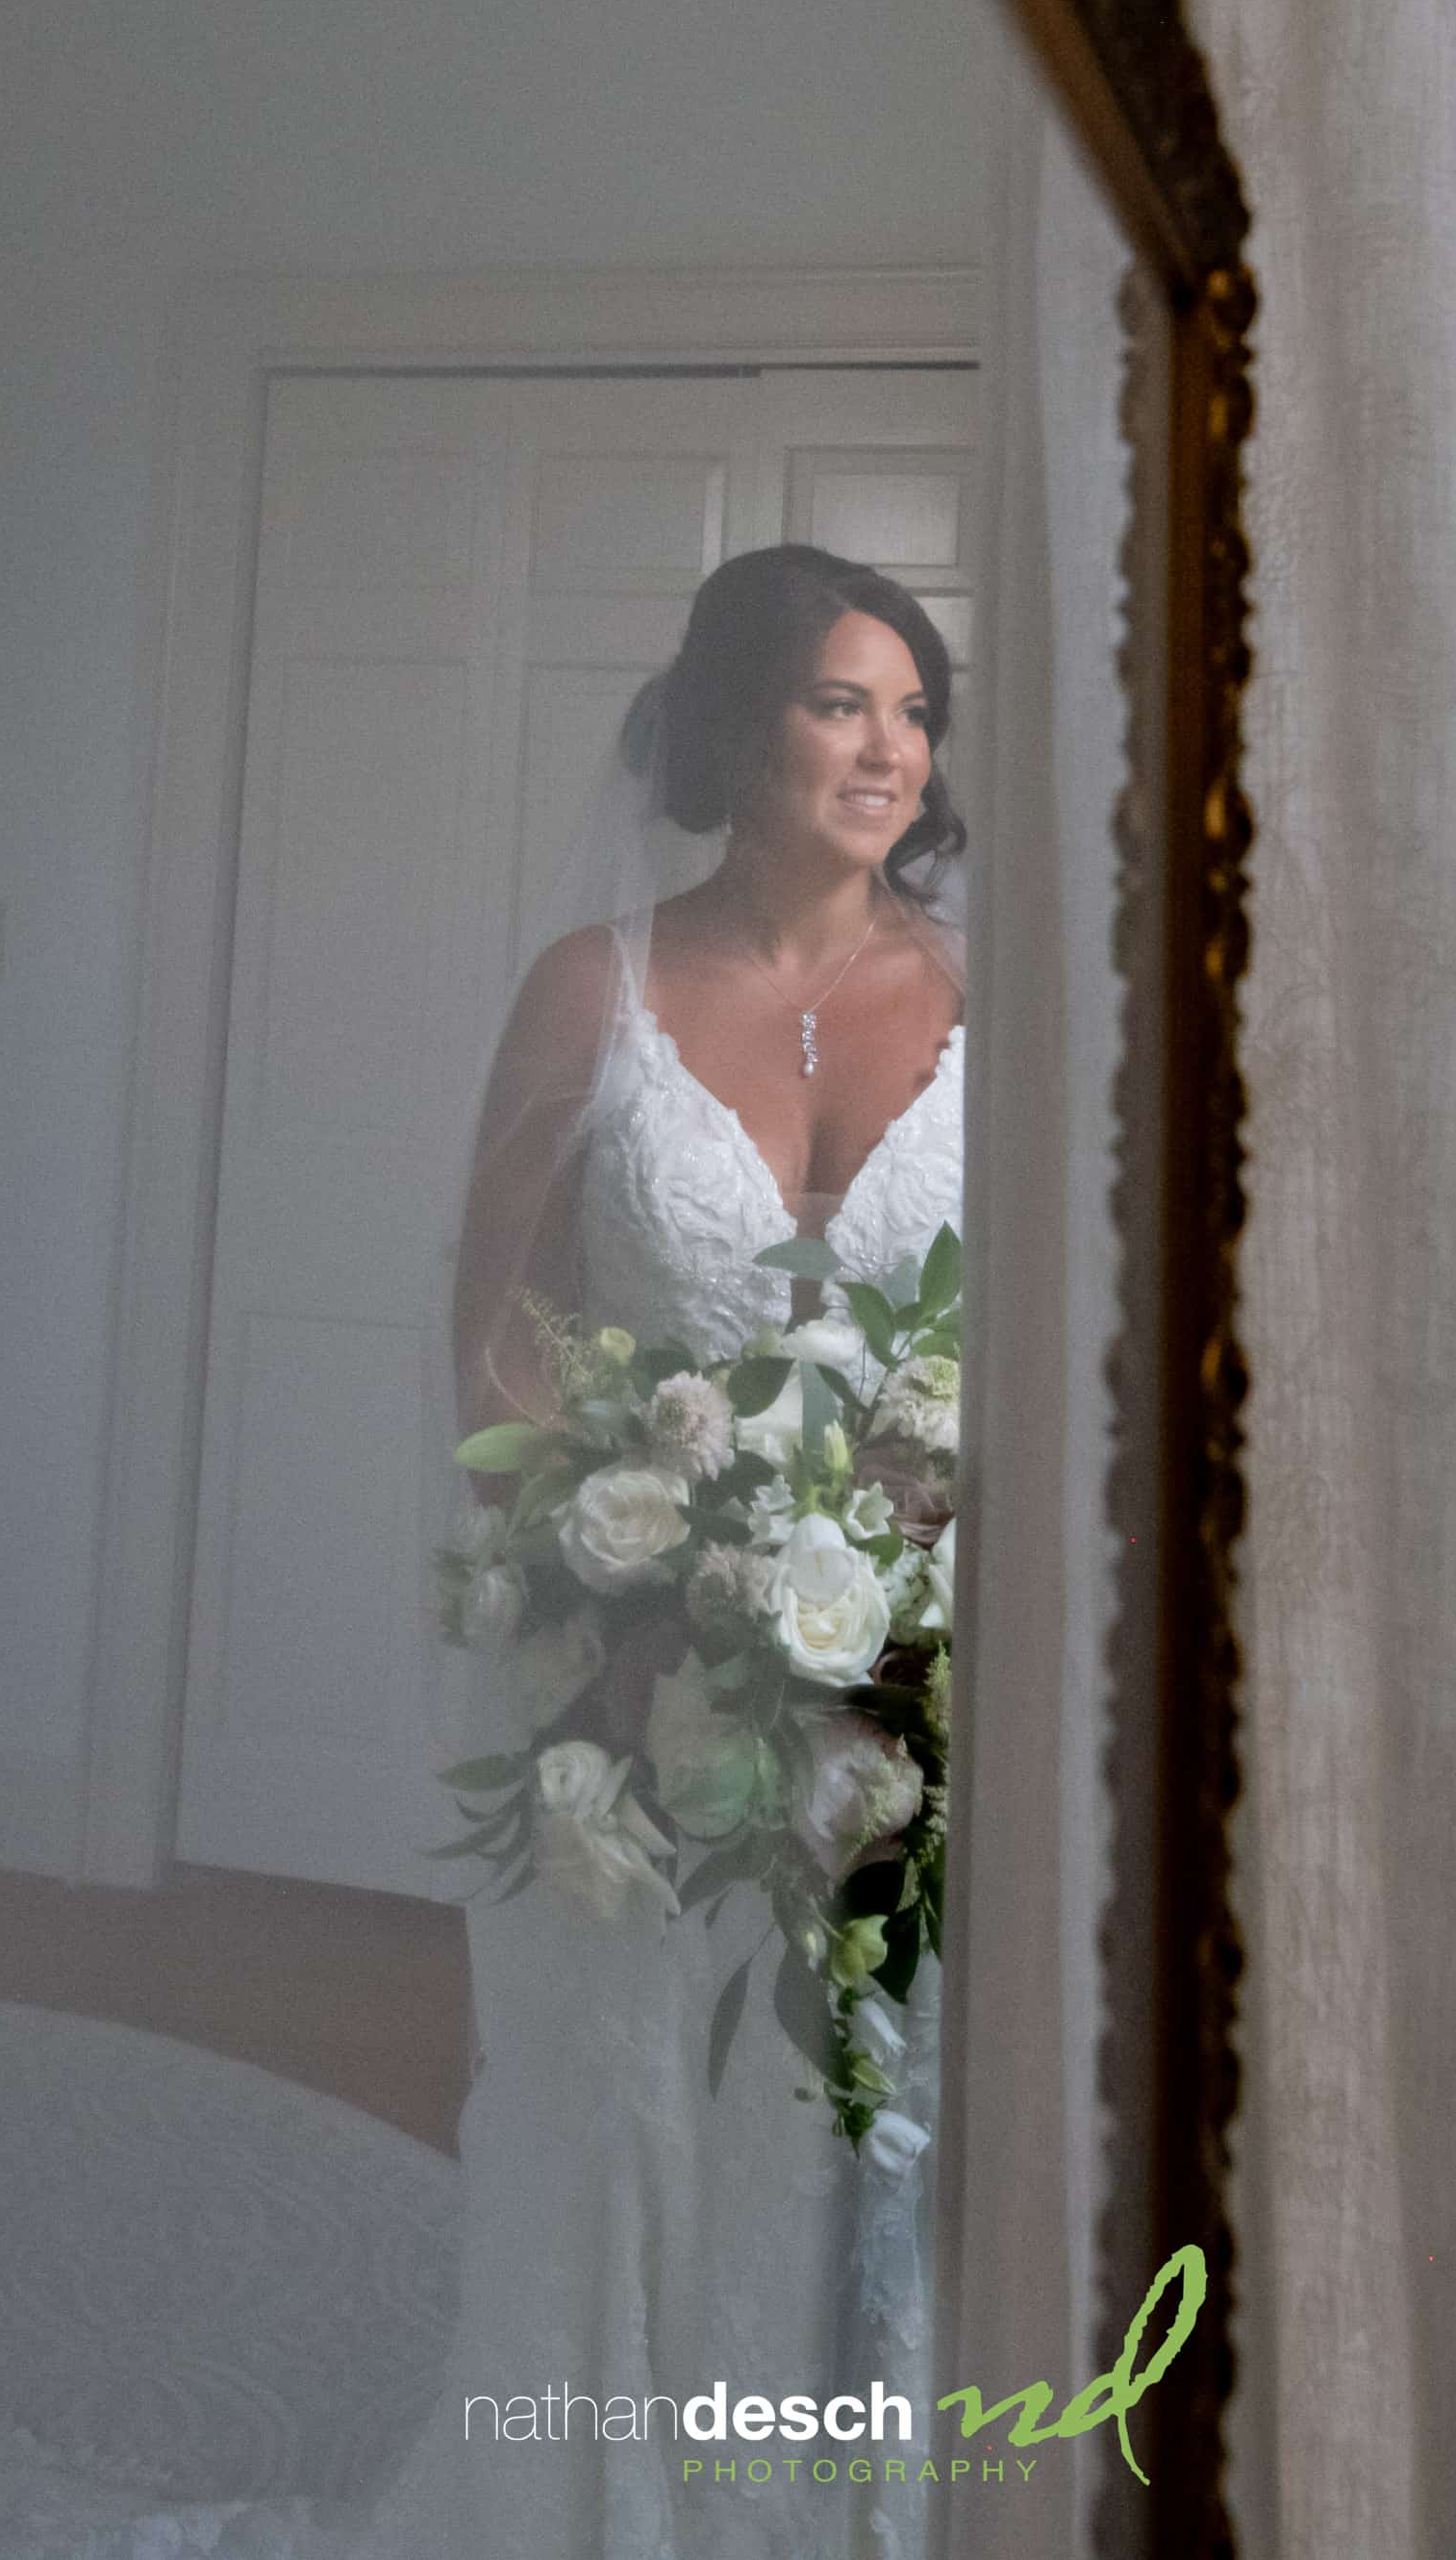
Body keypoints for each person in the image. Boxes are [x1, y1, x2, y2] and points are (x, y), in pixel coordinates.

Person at [373, 542, 970, 2560]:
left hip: (911, 1672)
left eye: (908, 705)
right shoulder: (596, 985)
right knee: (623, 2095)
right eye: (837, 701)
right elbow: (496, 1317)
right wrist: (608, 1582)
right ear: (734, 725)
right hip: (623, 1656)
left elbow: (1043, 1336)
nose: (885, 744)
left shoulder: (985, 995)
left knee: (861, 2105)